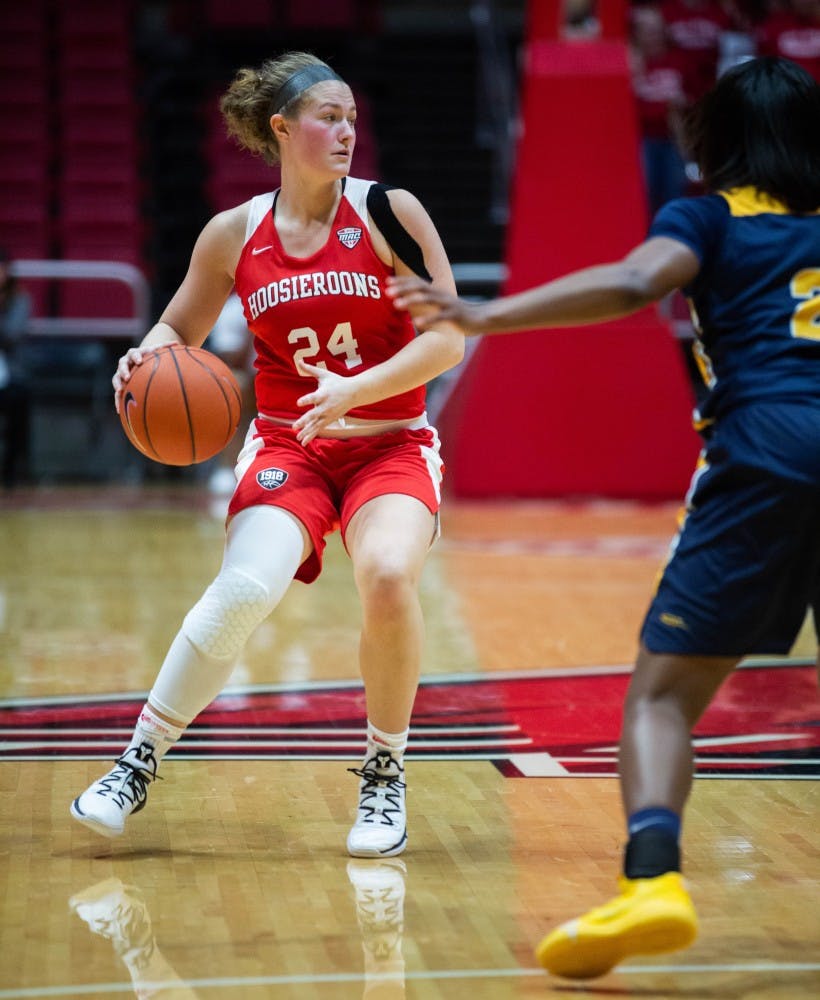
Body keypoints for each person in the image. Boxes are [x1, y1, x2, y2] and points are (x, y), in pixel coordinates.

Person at [389, 56, 820, 978]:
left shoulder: (706, 216)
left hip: (769, 453)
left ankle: (653, 881)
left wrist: (487, 312)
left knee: (663, 697)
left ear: (718, 140)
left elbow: (634, 282)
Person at [70, 51, 464, 859]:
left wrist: (357, 390)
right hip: (291, 444)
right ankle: (136, 760)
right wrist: (141, 359)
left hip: (389, 444)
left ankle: (384, 773)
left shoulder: (390, 212)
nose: (346, 130)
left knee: (388, 575)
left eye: (353, 116)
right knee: (246, 587)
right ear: (282, 129)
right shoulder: (233, 234)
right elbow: (175, 327)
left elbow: (450, 337)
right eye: (328, 116)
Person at [0, 248, 33, 489]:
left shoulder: (20, 299)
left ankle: (13, 471)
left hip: (9, 371)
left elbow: (12, 335)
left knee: (19, 396)